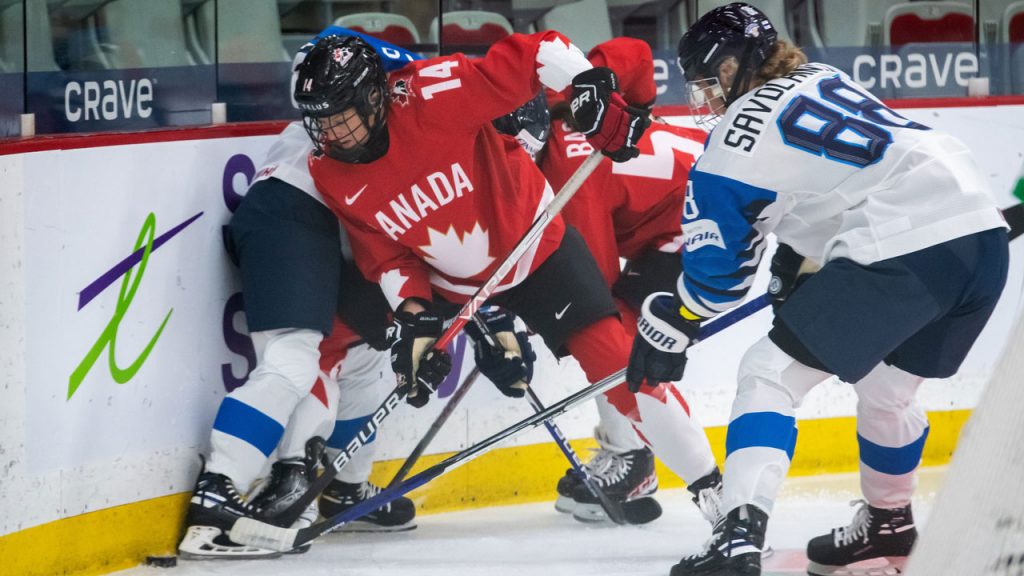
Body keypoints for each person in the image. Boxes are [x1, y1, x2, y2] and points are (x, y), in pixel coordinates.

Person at [627, 4, 1009, 575]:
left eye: (709, 82)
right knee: (887, 390)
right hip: (981, 240)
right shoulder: (825, 78)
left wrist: (676, 314)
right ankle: (888, 527)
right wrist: (796, 259)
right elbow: (835, 187)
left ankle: (736, 538)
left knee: (767, 373)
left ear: (734, 69)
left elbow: (718, 281)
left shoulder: (734, 137)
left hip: (902, 244)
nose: (704, 99)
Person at [293, 31, 720, 526]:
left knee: (615, 364)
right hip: (453, 285)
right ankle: (298, 474)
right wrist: (413, 317)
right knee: (343, 328)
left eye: (338, 117)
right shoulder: (329, 169)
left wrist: (596, 92)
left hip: (539, 250)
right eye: (318, 120)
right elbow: (386, 254)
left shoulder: (437, 97)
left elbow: (539, 50)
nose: (329, 133)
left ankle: (709, 488)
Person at [177, 31, 421, 559]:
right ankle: (217, 491)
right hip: (294, 206)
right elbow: (338, 48)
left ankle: (340, 485)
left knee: (367, 355)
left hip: (344, 226)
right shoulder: (406, 81)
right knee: (292, 360)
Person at [535, 37, 721, 523]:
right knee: (604, 325)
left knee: (602, 326)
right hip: (678, 214)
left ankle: (632, 459)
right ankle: (630, 452)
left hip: (704, 221)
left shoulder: (564, 169)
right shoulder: (565, 114)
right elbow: (634, 51)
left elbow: (589, 285)